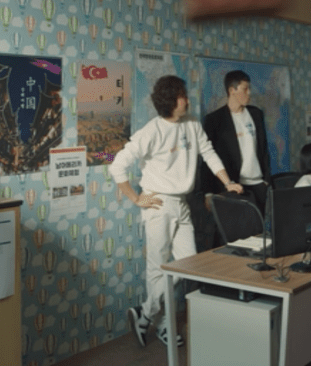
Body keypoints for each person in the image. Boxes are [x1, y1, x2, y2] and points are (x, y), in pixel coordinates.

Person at [110, 75, 242, 349]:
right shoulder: (152, 131)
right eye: (182, 96)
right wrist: (136, 198)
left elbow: (208, 152)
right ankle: (164, 326)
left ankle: (145, 312)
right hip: (158, 203)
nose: (187, 100)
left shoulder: (192, 123)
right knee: (157, 269)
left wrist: (227, 181)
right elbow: (117, 166)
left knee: (188, 265)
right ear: (170, 101)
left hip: (182, 202)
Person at [201, 70, 271, 210]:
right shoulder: (214, 120)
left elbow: (263, 149)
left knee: (259, 224)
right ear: (232, 90)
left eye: (249, 88)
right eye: (245, 89)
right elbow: (208, 157)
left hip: (258, 185)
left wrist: (266, 181)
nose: (249, 93)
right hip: (233, 187)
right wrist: (208, 192)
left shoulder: (256, 114)